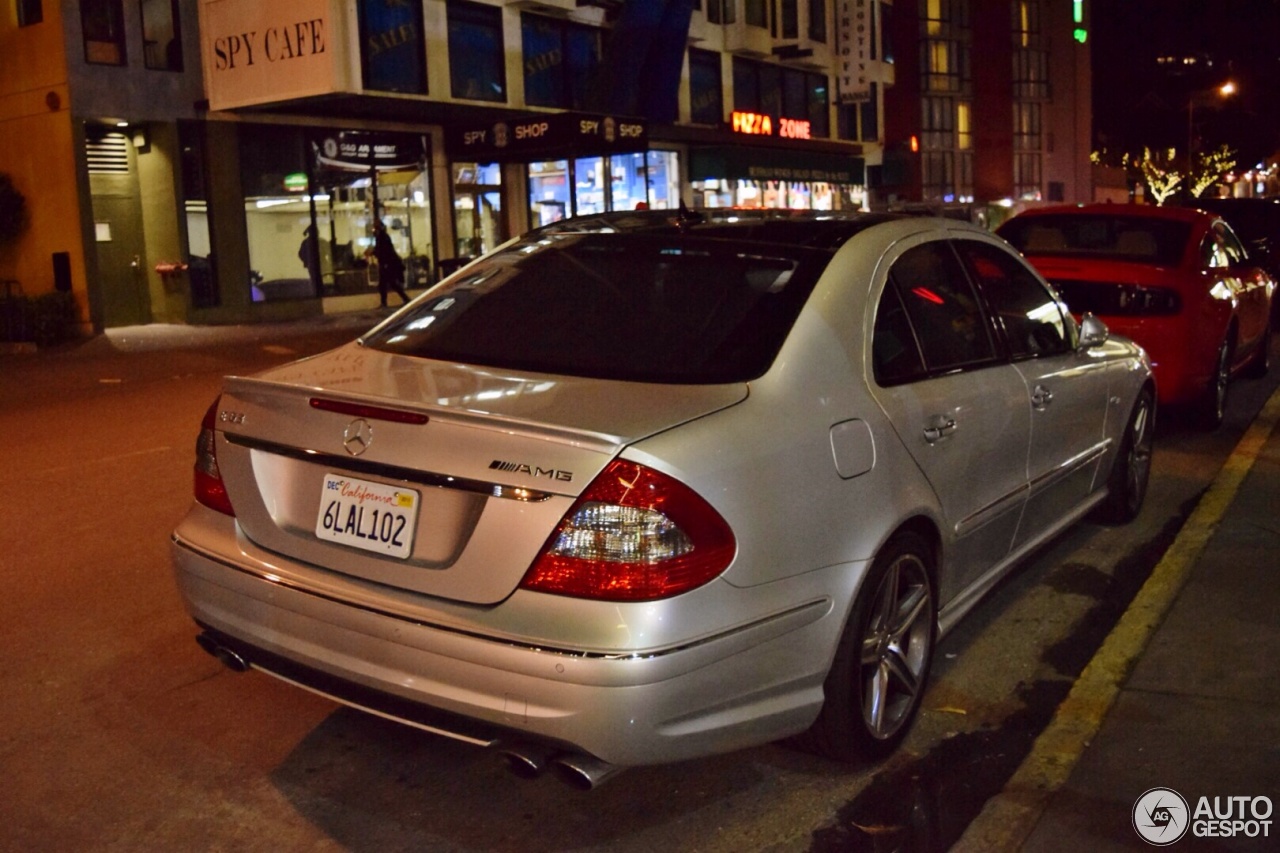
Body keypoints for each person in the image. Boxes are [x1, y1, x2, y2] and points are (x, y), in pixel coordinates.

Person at [371, 219, 410, 307]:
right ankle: (403, 299)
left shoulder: (382, 237)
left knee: (387, 284)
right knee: (389, 284)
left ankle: (385, 302)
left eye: (375, 228)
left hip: (387, 264)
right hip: (387, 263)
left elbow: (384, 251)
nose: (374, 231)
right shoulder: (382, 237)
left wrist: (374, 253)